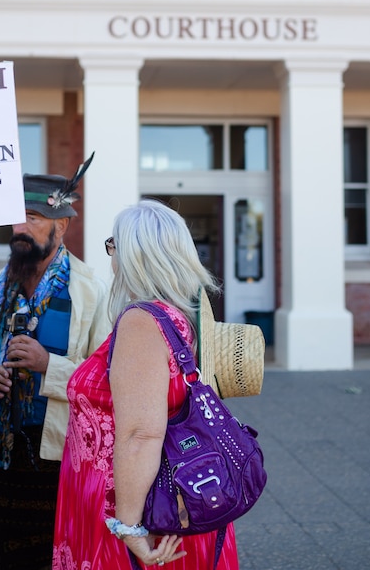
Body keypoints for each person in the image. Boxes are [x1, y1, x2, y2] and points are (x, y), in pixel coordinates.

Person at [52, 199, 235, 569]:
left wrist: (130, 527)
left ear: (134, 254)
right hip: (150, 496)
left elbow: (141, 433)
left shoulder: (141, 321)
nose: (110, 256)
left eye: (112, 245)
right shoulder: (176, 317)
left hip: (130, 504)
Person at [0, 154, 112, 570]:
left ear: (62, 225)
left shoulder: (91, 291)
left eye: (32, 217)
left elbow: (107, 380)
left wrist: (48, 364)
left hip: (63, 458)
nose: (20, 228)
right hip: (5, 458)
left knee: (60, 559)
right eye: (16, 218)